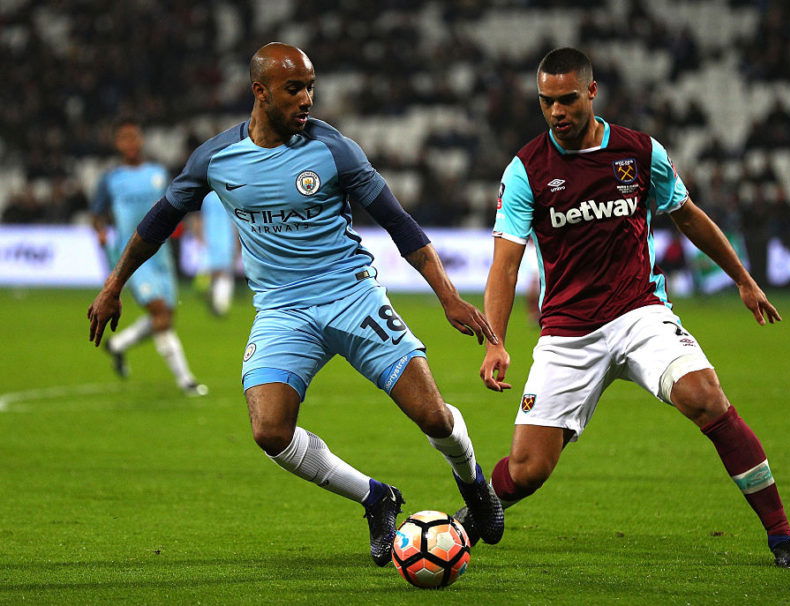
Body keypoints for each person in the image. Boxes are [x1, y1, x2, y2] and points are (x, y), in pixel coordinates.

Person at [87, 43, 504, 566]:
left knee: (434, 418)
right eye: (294, 89)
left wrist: (448, 298)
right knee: (270, 432)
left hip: (351, 296)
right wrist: (113, 286)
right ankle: (376, 498)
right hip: (283, 312)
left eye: (310, 87)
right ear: (260, 91)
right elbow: (157, 222)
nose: (307, 98)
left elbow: (400, 224)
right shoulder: (215, 158)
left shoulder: (335, 150)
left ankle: (474, 484)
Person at [457, 48, 790, 570]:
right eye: (546, 101)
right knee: (529, 469)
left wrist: (742, 279)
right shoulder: (526, 171)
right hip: (568, 333)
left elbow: (688, 216)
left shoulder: (639, 152)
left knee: (706, 397)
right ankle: (468, 519)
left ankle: (783, 537)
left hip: (639, 313)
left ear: (591, 91)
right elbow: (505, 265)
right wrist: (495, 340)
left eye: (567, 99)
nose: (556, 112)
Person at [91, 119, 207, 396]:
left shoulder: (158, 173)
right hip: (131, 257)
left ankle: (117, 345)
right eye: (124, 138)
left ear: (141, 140)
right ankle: (186, 380)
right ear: (117, 144)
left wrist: (193, 227)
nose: (130, 143)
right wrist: (101, 232)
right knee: (160, 313)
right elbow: (97, 214)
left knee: (165, 316)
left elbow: (177, 203)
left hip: (161, 254)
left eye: (134, 137)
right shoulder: (111, 179)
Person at [196, 190, 239, 316]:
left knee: (216, 271)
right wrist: (237, 240)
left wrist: (200, 235)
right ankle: (221, 305)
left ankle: (217, 301)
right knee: (224, 272)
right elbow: (236, 220)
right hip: (225, 238)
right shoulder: (229, 195)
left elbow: (200, 218)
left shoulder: (207, 196)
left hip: (211, 237)